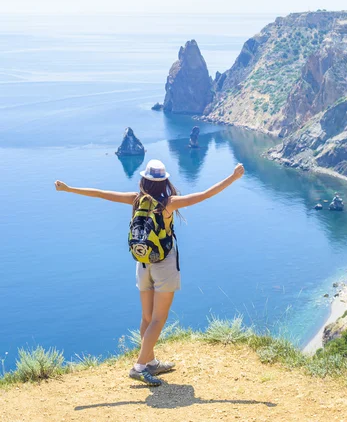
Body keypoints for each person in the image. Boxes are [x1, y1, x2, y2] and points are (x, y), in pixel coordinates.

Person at [54, 158, 245, 386]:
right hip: (164, 264)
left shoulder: (135, 200)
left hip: (142, 263)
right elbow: (204, 194)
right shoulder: (169, 203)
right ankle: (140, 366)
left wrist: (68, 188)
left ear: (144, 180)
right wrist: (233, 178)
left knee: (147, 317)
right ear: (164, 181)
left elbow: (101, 193)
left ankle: (151, 362)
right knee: (159, 318)